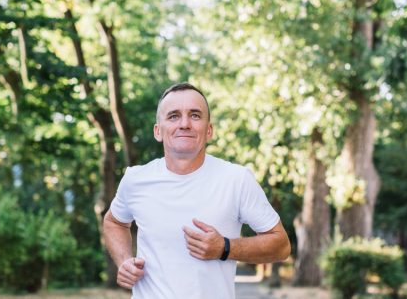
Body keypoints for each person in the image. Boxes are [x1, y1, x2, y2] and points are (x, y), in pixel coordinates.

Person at [103, 82, 291, 298]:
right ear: (158, 131)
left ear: (209, 130)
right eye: (173, 116)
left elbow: (281, 245)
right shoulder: (135, 179)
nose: (184, 124)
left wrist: (226, 248)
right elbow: (114, 222)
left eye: (195, 115)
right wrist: (124, 260)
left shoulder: (236, 179)